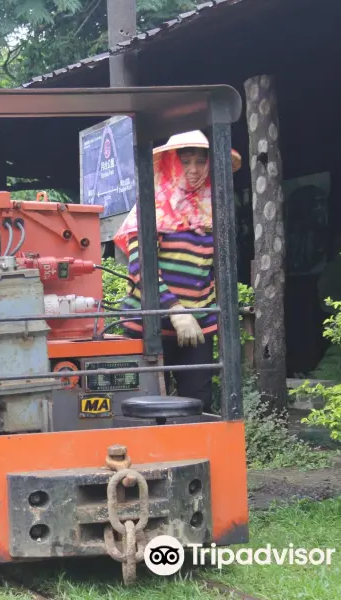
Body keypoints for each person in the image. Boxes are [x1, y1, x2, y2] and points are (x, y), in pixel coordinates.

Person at [113, 130, 242, 406]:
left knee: (197, 404)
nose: (193, 170)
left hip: (197, 326)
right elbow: (140, 265)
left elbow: (216, 269)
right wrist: (175, 310)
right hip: (149, 324)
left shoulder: (214, 208)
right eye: (185, 161)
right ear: (171, 162)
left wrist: (209, 315)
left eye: (200, 161)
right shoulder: (154, 204)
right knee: (144, 406)